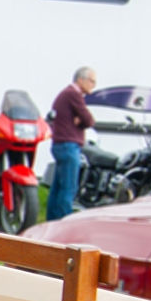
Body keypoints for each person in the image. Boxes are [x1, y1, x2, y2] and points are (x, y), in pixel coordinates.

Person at [47, 66, 97, 220]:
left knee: (57, 188)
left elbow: (82, 119)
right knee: (68, 188)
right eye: (92, 81)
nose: (94, 85)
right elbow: (89, 120)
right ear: (80, 80)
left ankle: (52, 222)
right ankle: (65, 222)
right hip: (69, 146)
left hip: (60, 145)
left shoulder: (66, 94)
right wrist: (82, 120)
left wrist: (79, 120)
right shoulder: (73, 94)